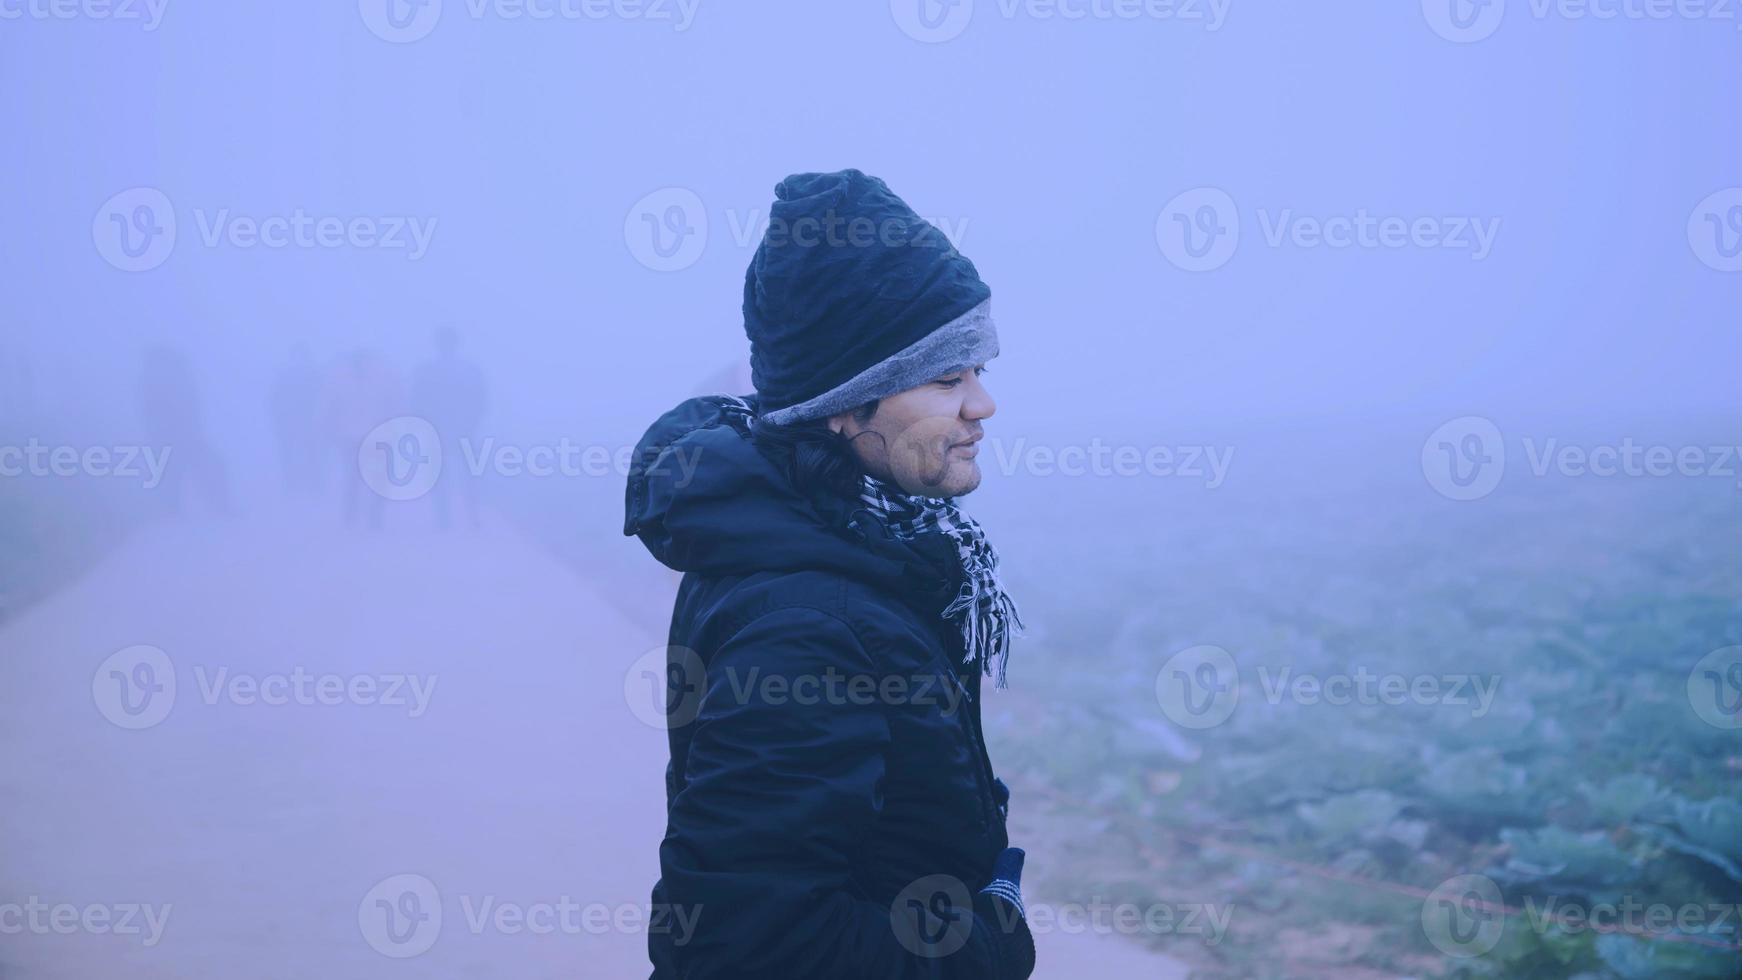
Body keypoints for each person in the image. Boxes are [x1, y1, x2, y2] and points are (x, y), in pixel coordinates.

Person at [625, 169, 1034, 978]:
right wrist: (989, 942)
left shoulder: (847, 544)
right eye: (947, 377)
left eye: (978, 371)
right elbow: (746, 946)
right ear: (845, 406)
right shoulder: (809, 624)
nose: (981, 404)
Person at [411, 326, 488, 529]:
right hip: (464, 430)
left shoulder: (425, 371)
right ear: (456, 344)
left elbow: (417, 402)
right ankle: (472, 517)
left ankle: (444, 520)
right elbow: (481, 402)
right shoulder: (471, 371)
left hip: (438, 430)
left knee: (440, 477)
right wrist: (471, 423)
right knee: (469, 475)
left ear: (437, 344)